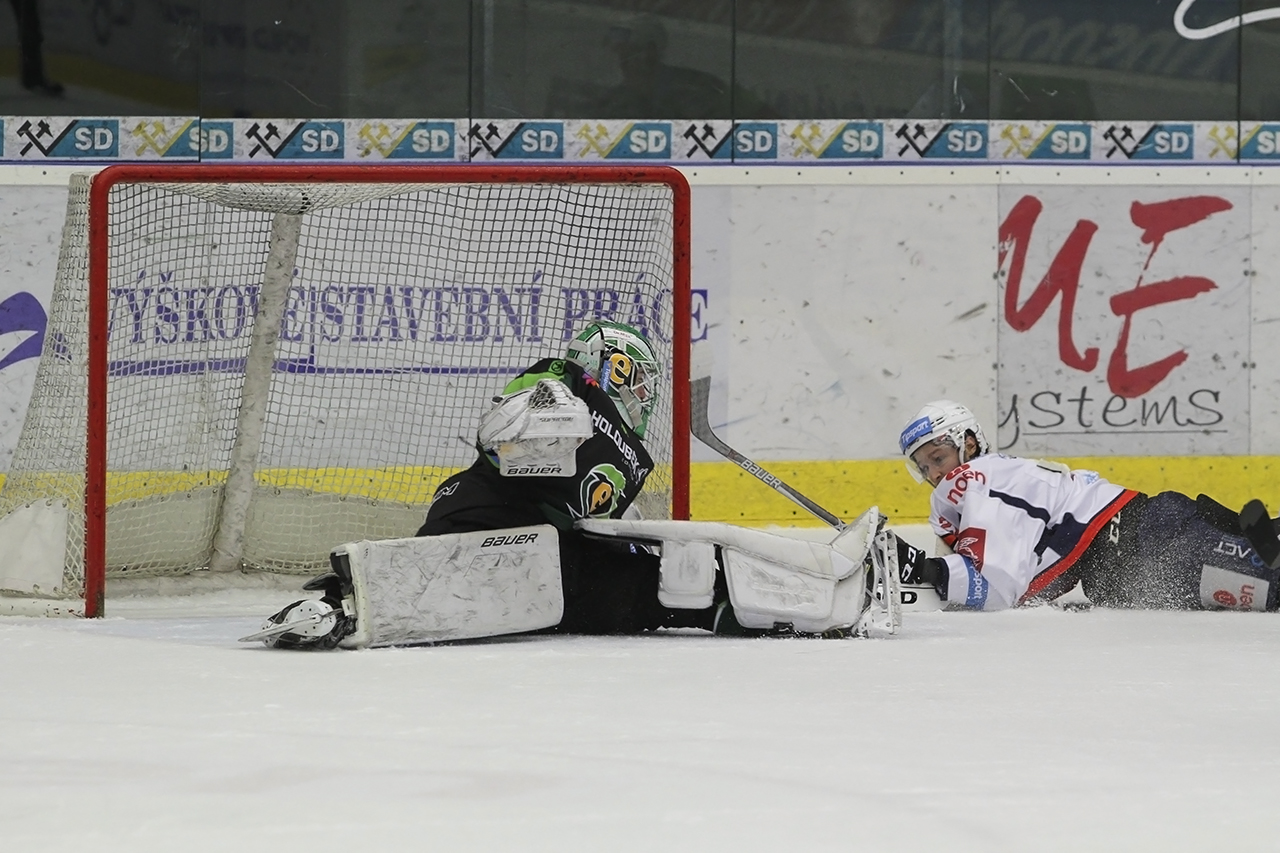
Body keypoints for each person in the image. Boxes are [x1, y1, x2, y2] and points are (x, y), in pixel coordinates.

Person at [896, 399, 1280, 612]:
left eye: (938, 458)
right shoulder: (996, 476)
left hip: (1149, 542)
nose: (934, 474)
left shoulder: (976, 481)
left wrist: (924, 569)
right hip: (1137, 544)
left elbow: (995, 586)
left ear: (968, 443)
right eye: (923, 466)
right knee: (1265, 563)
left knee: (1272, 580)